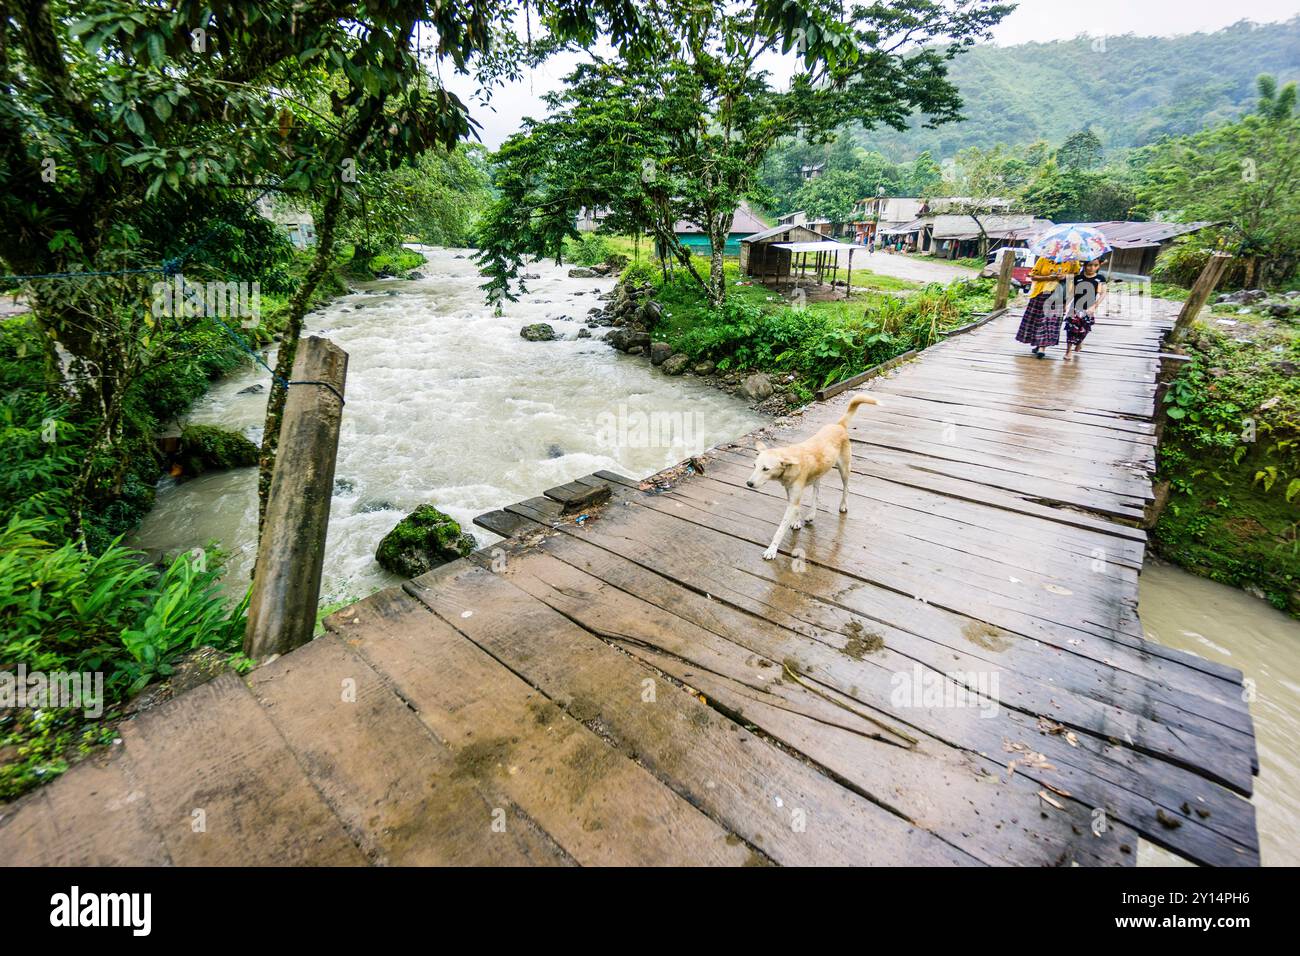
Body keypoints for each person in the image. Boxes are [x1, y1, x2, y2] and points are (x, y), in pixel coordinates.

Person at [1014, 256, 1079, 358]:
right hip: (1040, 293)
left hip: (1059, 294)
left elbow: (1076, 277)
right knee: (1037, 320)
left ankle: (1042, 347)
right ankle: (1038, 343)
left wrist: (1065, 277)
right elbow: (1033, 276)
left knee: (1048, 320)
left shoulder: (1073, 261)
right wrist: (1049, 278)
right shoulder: (1043, 259)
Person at [1064, 258, 1108, 359]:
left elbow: (1103, 293)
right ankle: (1068, 351)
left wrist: (1095, 306)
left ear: (1098, 266)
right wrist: (1065, 304)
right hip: (1075, 308)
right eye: (1090, 265)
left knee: (1085, 329)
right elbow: (1072, 293)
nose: (1092, 268)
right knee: (1071, 329)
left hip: (1089, 308)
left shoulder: (1100, 278)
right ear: (1084, 265)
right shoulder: (1078, 278)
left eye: (1095, 265)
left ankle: (1079, 342)